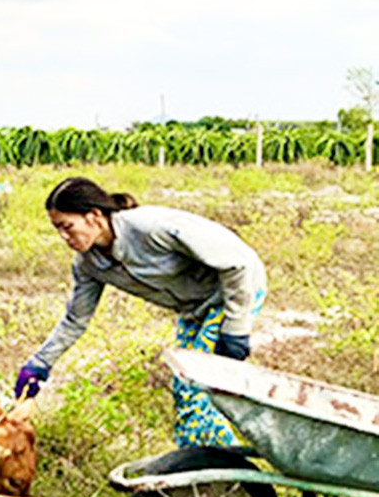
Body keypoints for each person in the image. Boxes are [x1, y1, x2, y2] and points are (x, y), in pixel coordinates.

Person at [14, 176, 266, 448]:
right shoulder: (89, 264)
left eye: (67, 226)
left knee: (194, 388)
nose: (64, 237)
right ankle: (199, 463)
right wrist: (40, 363)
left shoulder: (150, 227)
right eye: (57, 229)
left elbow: (238, 263)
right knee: (184, 387)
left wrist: (236, 329)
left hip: (233, 294)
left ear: (94, 216)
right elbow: (75, 320)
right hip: (195, 310)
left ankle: (229, 472)